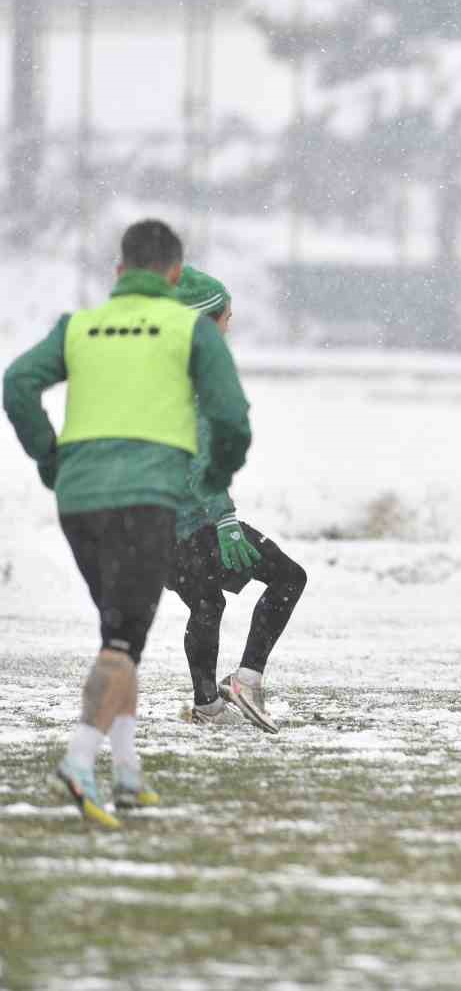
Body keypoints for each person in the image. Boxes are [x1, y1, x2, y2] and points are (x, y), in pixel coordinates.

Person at [2, 219, 251, 828]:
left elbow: (15, 384)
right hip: (145, 499)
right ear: (174, 274)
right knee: (122, 640)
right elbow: (231, 419)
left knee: (120, 633)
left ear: (119, 272)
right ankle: (80, 761)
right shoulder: (189, 327)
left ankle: (129, 773)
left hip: (79, 499)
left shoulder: (80, 326)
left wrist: (51, 457)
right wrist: (216, 479)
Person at [168, 267, 305, 735]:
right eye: (225, 318)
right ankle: (246, 680)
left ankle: (207, 704)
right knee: (288, 577)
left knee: (206, 603)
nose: (230, 327)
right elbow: (199, 457)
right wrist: (226, 519)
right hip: (195, 521)